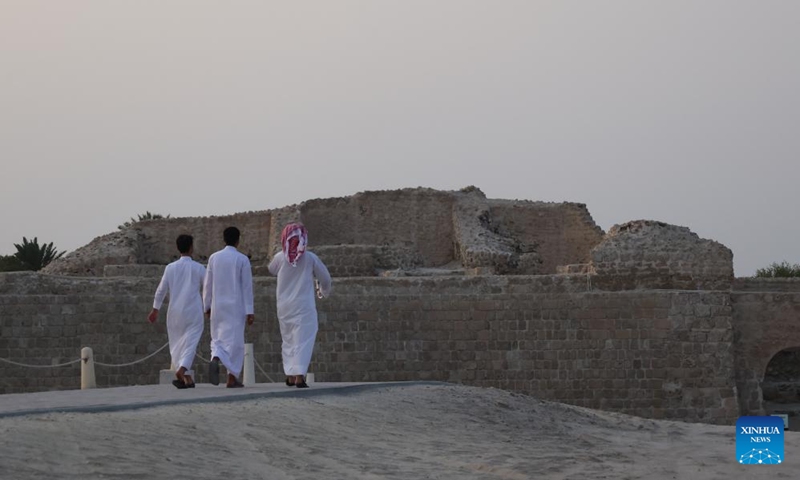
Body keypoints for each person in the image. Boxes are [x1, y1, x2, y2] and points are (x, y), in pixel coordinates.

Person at [268, 223, 331, 388]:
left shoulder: (280, 258)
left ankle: (289, 374)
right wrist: (324, 291)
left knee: (288, 339)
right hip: (303, 306)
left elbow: (271, 270)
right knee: (303, 339)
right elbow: (325, 278)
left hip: (284, 306)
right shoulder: (310, 258)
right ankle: (299, 376)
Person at [148, 234, 206, 389]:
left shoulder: (170, 268)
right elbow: (208, 289)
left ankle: (186, 379)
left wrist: (155, 309)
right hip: (193, 311)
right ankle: (182, 370)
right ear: (191, 247)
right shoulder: (199, 268)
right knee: (190, 343)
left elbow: (161, 290)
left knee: (176, 344)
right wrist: (208, 307)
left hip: (174, 312)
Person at [203, 226, 254, 388]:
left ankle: (216, 357)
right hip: (235, 306)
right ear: (238, 240)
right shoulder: (242, 260)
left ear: (223, 239)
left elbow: (207, 284)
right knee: (236, 343)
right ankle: (231, 378)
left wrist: (206, 305)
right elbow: (247, 287)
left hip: (218, 306)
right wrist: (250, 311)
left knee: (218, 338)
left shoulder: (213, 258)